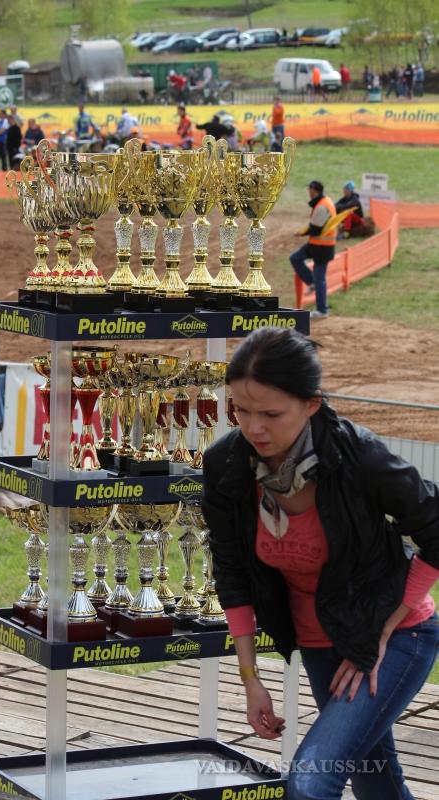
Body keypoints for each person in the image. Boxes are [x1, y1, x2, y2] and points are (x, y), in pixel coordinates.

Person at [201, 326, 439, 800]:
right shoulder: (226, 463)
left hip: (398, 635)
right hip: (319, 644)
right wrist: (251, 680)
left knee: (311, 782)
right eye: (241, 410)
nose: (253, 428)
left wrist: (381, 630)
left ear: (311, 404)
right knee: (376, 784)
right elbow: (231, 572)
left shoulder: (359, 455)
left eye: (271, 414)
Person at [290, 180, 336, 320]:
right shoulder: (324, 201)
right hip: (317, 245)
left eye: (309, 190)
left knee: (320, 279)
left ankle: (322, 310)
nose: (308, 192)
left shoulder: (322, 206)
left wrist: (303, 232)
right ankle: (312, 282)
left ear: (314, 190)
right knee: (295, 258)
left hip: (322, 247)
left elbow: (315, 230)